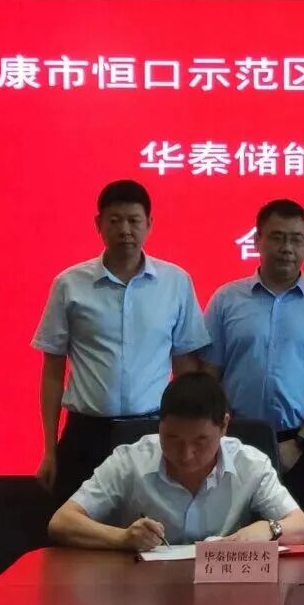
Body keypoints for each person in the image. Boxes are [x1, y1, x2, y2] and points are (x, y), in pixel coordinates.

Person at [32, 180, 209, 503]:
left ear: (149, 224)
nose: (125, 230)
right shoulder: (69, 284)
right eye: (115, 220)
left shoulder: (175, 282)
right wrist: (49, 450)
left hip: (153, 431)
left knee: (154, 525)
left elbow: (186, 368)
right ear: (98, 224)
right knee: (77, 525)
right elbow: (53, 372)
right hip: (86, 433)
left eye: (133, 220)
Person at [202, 199, 304, 526]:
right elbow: (209, 376)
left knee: (300, 537)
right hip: (234, 440)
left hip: (301, 443)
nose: (287, 248)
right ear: (257, 240)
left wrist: (299, 443)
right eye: (277, 237)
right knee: (232, 534)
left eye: (297, 239)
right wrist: (225, 432)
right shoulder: (226, 300)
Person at [48, 372, 304, 550]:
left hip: (222, 594)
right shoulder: (130, 460)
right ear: (159, 425)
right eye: (172, 439)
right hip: (142, 593)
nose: (186, 454)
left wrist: (270, 529)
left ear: (223, 426)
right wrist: (122, 538)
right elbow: (62, 522)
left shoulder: (250, 463)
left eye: (200, 441)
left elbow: (303, 527)